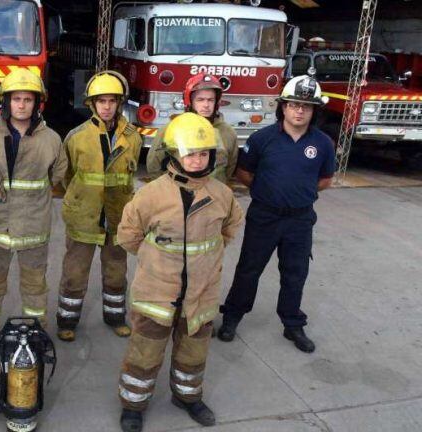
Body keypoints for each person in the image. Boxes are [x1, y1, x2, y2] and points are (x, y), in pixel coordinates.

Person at [116, 113, 244, 431]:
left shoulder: (222, 196)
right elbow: (128, 236)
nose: (197, 160)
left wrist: (202, 261)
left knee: (194, 350)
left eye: (203, 154)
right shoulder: (150, 195)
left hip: (200, 294)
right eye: (190, 153)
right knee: (145, 351)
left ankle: (187, 396)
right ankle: (133, 404)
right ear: (174, 154)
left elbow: (228, 231)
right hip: (156, 293)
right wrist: (158, 260)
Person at [217, 75, 335, 353]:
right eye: (294, 104)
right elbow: (244, 172)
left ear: (314, 110)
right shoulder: (261, 139)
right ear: (283, 106)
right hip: (264, 216)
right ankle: (232, 316)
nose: (299, 111)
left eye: (306, 106)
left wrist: (299, 194)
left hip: (300, 219)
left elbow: (325, 179)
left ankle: (292, 323)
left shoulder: (323, 143)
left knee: (295, 273)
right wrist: (269, 192)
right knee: (249, 269)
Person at [0, 68, 67, 354]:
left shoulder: (51, 140)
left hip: (34, 229)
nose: (21, 105)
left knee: (35, 287)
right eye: (16, 99)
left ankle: (36, 332)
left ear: (37, 104)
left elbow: (57, 174)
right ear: (6, 102)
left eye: (28, 99)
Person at [55, 70, 142, 342]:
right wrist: (82, 198)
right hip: (84, 215)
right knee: (74, 271)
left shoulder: (133, 137)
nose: (106, 107)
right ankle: (66, 320)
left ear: (119, 103)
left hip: (117, 216)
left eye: (111, 101)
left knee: (116, 270)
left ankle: (115, 317)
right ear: (92, 104)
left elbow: (131, 173)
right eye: (101, 101)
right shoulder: (76, 137)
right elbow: (67, 175)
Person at [148, 73, 238, 185]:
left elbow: (229, 169)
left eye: (210, 100)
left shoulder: (228, 133)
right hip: (177, 197)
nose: (206, 105)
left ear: (217, 102)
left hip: (213, 197)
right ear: (189, 101)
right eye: (200, 100)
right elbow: (154, 166)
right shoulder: (170, 129)